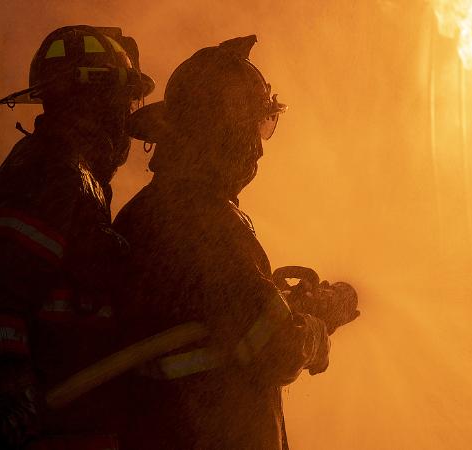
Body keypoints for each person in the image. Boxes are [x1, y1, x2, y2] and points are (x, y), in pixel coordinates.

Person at [112, 35, 359, 449]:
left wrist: (286, 304)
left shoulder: (150, 211)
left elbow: (222, 316)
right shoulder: (201, 220)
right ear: (223, 134)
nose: (259, 150)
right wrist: (315, 329)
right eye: (253, 130)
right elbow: (273, 346)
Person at [0, 25, 154, 449]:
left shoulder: (74, 175)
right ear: (96, 100)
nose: (127, 118)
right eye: (124, 101)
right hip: (47, 435)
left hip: (75, 428)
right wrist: (7, 381)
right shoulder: (51, 172)